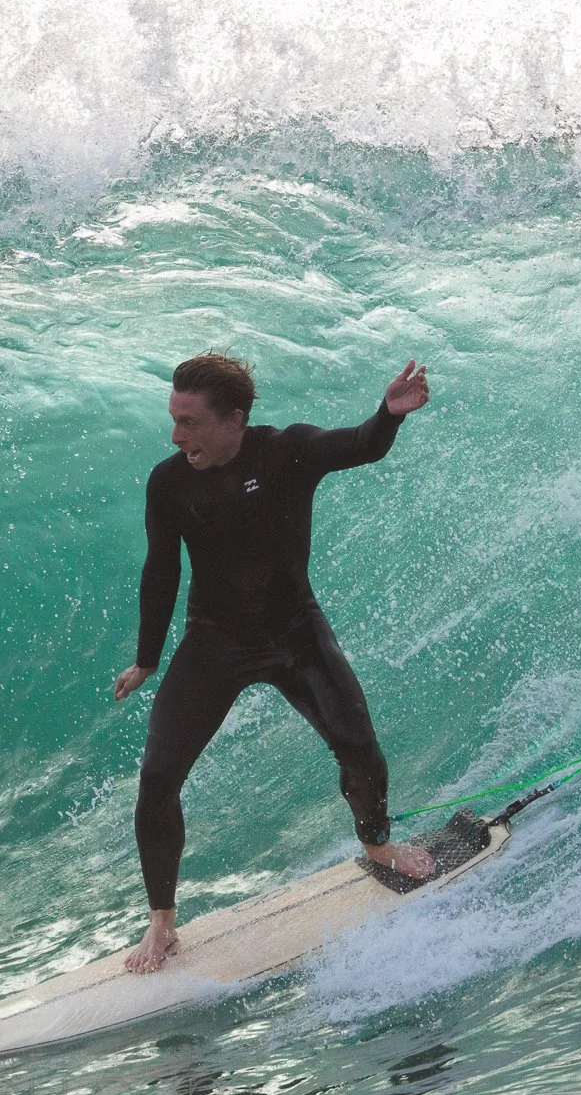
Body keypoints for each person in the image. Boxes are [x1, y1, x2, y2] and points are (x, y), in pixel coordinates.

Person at [111, 353, 433, 973]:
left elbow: (359, 445)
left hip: (294, 635)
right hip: (214, 644)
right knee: (157, 779)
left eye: (190, 422)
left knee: (358, 745)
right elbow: (161, 570)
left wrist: (388, 415)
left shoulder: (284, 451)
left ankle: (379, 846)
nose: (177, 436)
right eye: (173, 420)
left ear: (234, 420)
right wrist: (148, 659)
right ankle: (162, 924)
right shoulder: (169, 481)